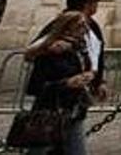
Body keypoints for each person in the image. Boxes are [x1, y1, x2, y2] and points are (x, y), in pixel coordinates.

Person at [24, 11, 94, 155]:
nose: (86, 30)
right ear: (67, 29)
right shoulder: (50, 52)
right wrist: (66, 83)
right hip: (49, 113)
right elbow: (35, 87)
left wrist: (89, 76)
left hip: (74, 110)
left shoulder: (80, 49)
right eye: (81, 26)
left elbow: (87, 69)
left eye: (86, 25)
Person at [28, 0, 108, 102]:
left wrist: (99, 81)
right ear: (86, 3)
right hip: (56, 96)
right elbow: (33, 51)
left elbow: (96, 55)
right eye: (96, 0)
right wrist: (52, 46)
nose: (84, 29)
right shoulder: (63, 23)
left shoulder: (92, 25)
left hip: (79, 93)